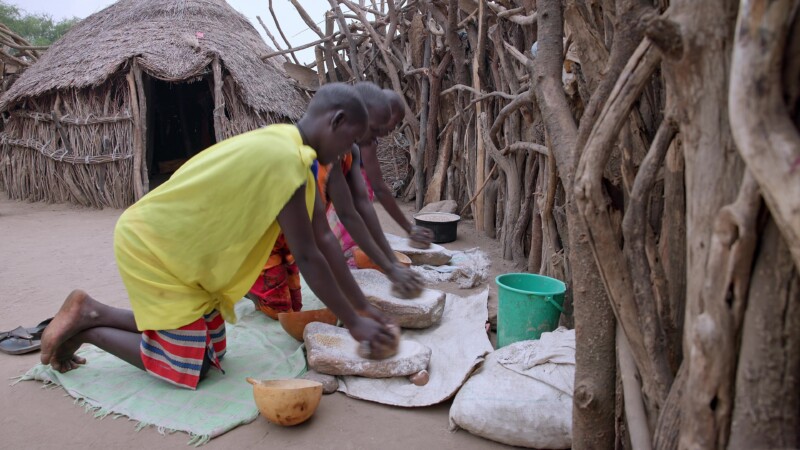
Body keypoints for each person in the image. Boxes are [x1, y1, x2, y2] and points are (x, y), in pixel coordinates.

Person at [38, 83, 398, 389]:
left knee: (213, 349)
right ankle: (86, 329)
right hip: (155, 245)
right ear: (335, 122)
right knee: (191, 365)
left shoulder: (292, 151)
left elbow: (324, 238)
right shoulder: (285, 160)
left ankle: (91, 311)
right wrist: (353, 322)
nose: (348, 151)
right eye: (350, 139)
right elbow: (309, 256)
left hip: (181, 252)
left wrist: (363, 309)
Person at [248, 82, 423, 315]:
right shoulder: (301, 158)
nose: (377, 137)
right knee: (278, 310)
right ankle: (245, 284)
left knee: (294, 306)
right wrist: (357, 315)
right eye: (375, 129)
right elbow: (317, 243)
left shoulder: (342, 151)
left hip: (290, 244)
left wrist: (390, 264)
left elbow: (354, 210)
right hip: (264, 242)